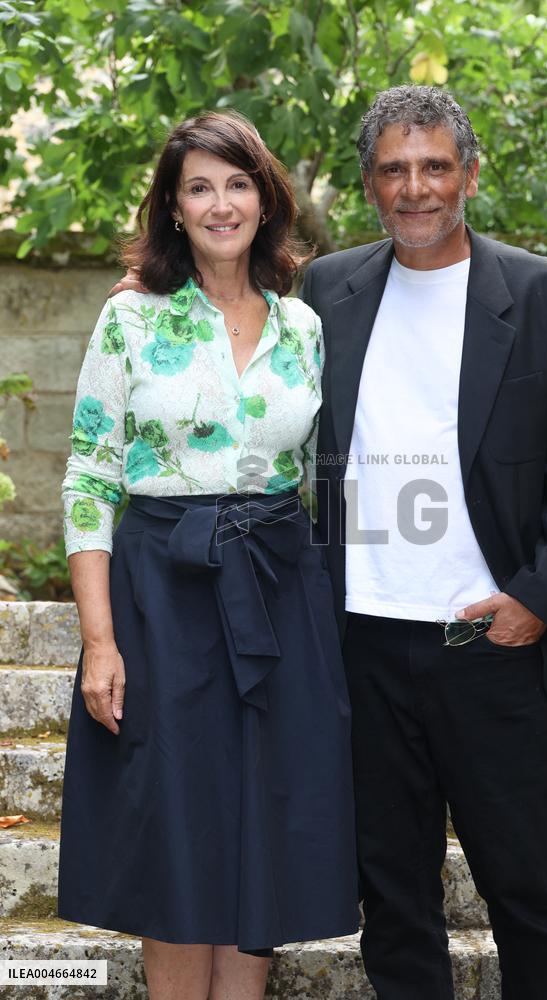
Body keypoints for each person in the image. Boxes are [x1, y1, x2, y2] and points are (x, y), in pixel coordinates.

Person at [299, 86, 547, 1000]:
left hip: (488, 642)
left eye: (435, 165)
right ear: (370, 183)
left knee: (525, 893)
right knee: (393, 901)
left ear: (470, 175)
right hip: (360, 641)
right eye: (395, 169)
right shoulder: (327, 291)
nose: (416, 188)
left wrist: (536, 598)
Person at [58, 110, 358, 1000]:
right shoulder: (130, 319)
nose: (220, 203)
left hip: (278, 597)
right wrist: (100, 641)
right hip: (161, 596)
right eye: (199, 187)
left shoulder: (304, 327)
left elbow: (322, 479)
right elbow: (88, 476)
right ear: (174, 208)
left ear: (266, 200)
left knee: (267, 826)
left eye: (237, 183)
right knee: (178, 837)